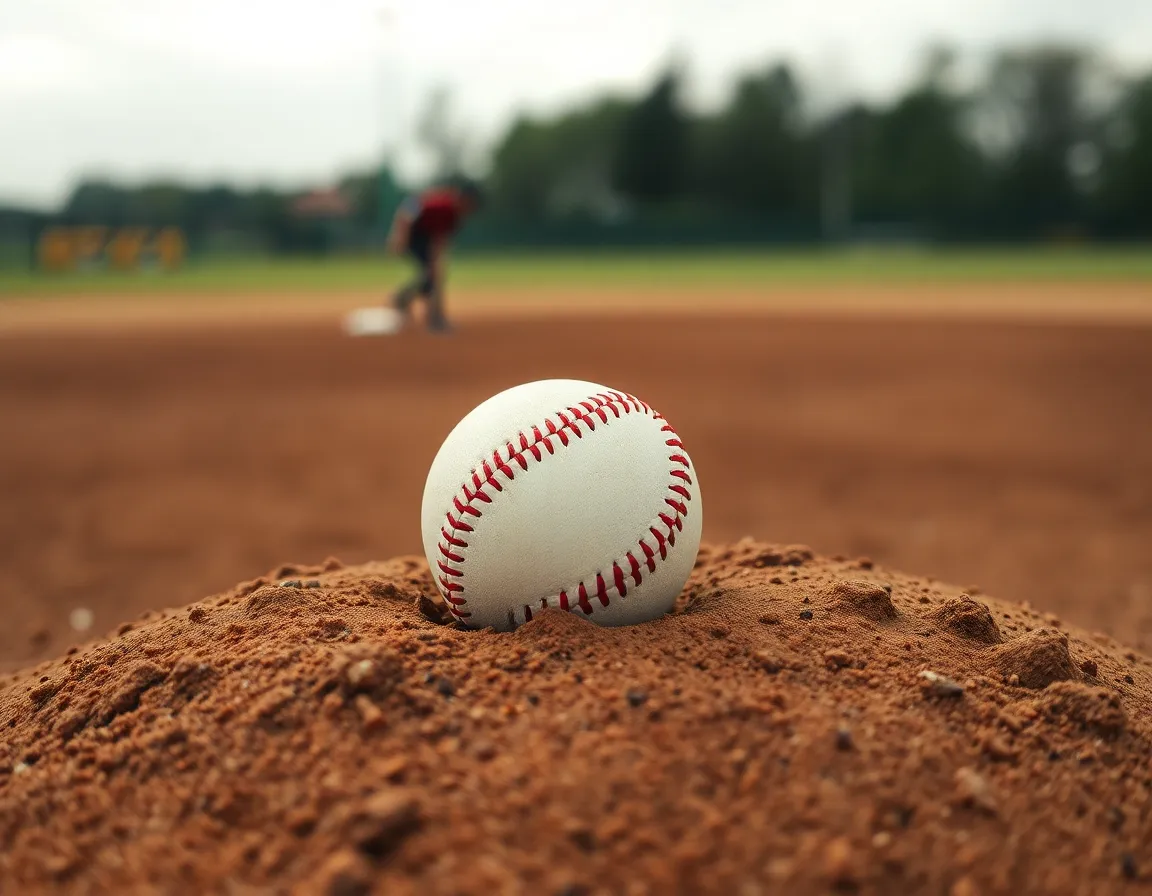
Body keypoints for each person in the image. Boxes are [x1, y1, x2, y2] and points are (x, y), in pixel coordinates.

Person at [385, 178, 483, 333]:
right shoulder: (444, 205)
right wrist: (400, 235)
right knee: (432, 276)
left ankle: (413, 303)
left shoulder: (456, 215)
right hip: (414, 236)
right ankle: (430, 315)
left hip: (426, 238)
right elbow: (409, 207)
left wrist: (438, 263)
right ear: (465, 199)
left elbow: (440, 240)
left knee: (434, 275)